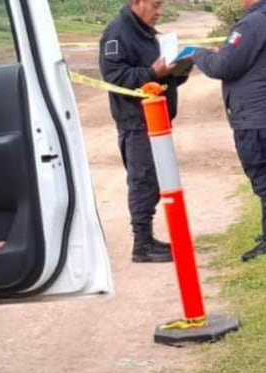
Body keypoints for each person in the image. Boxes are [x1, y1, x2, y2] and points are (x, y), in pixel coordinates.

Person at [192, 0, 266, 262]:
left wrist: (197, 54)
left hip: (256, 114)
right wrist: (224, 53)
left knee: (264, 174)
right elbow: (250, 58)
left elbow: (223, 66)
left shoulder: (254, 23)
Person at [100, 0, 193, 263]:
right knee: (142, 182)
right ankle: (141, 245)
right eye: (154, 5)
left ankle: (147, 239)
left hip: (158, 121)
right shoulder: (117, 33)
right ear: (137, 3)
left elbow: (159, 79)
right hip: (136, 122)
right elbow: (116, 78)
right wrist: (153, 71)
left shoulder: (147, 33)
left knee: (154, 182)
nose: (159, 12)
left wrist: (180, 70)